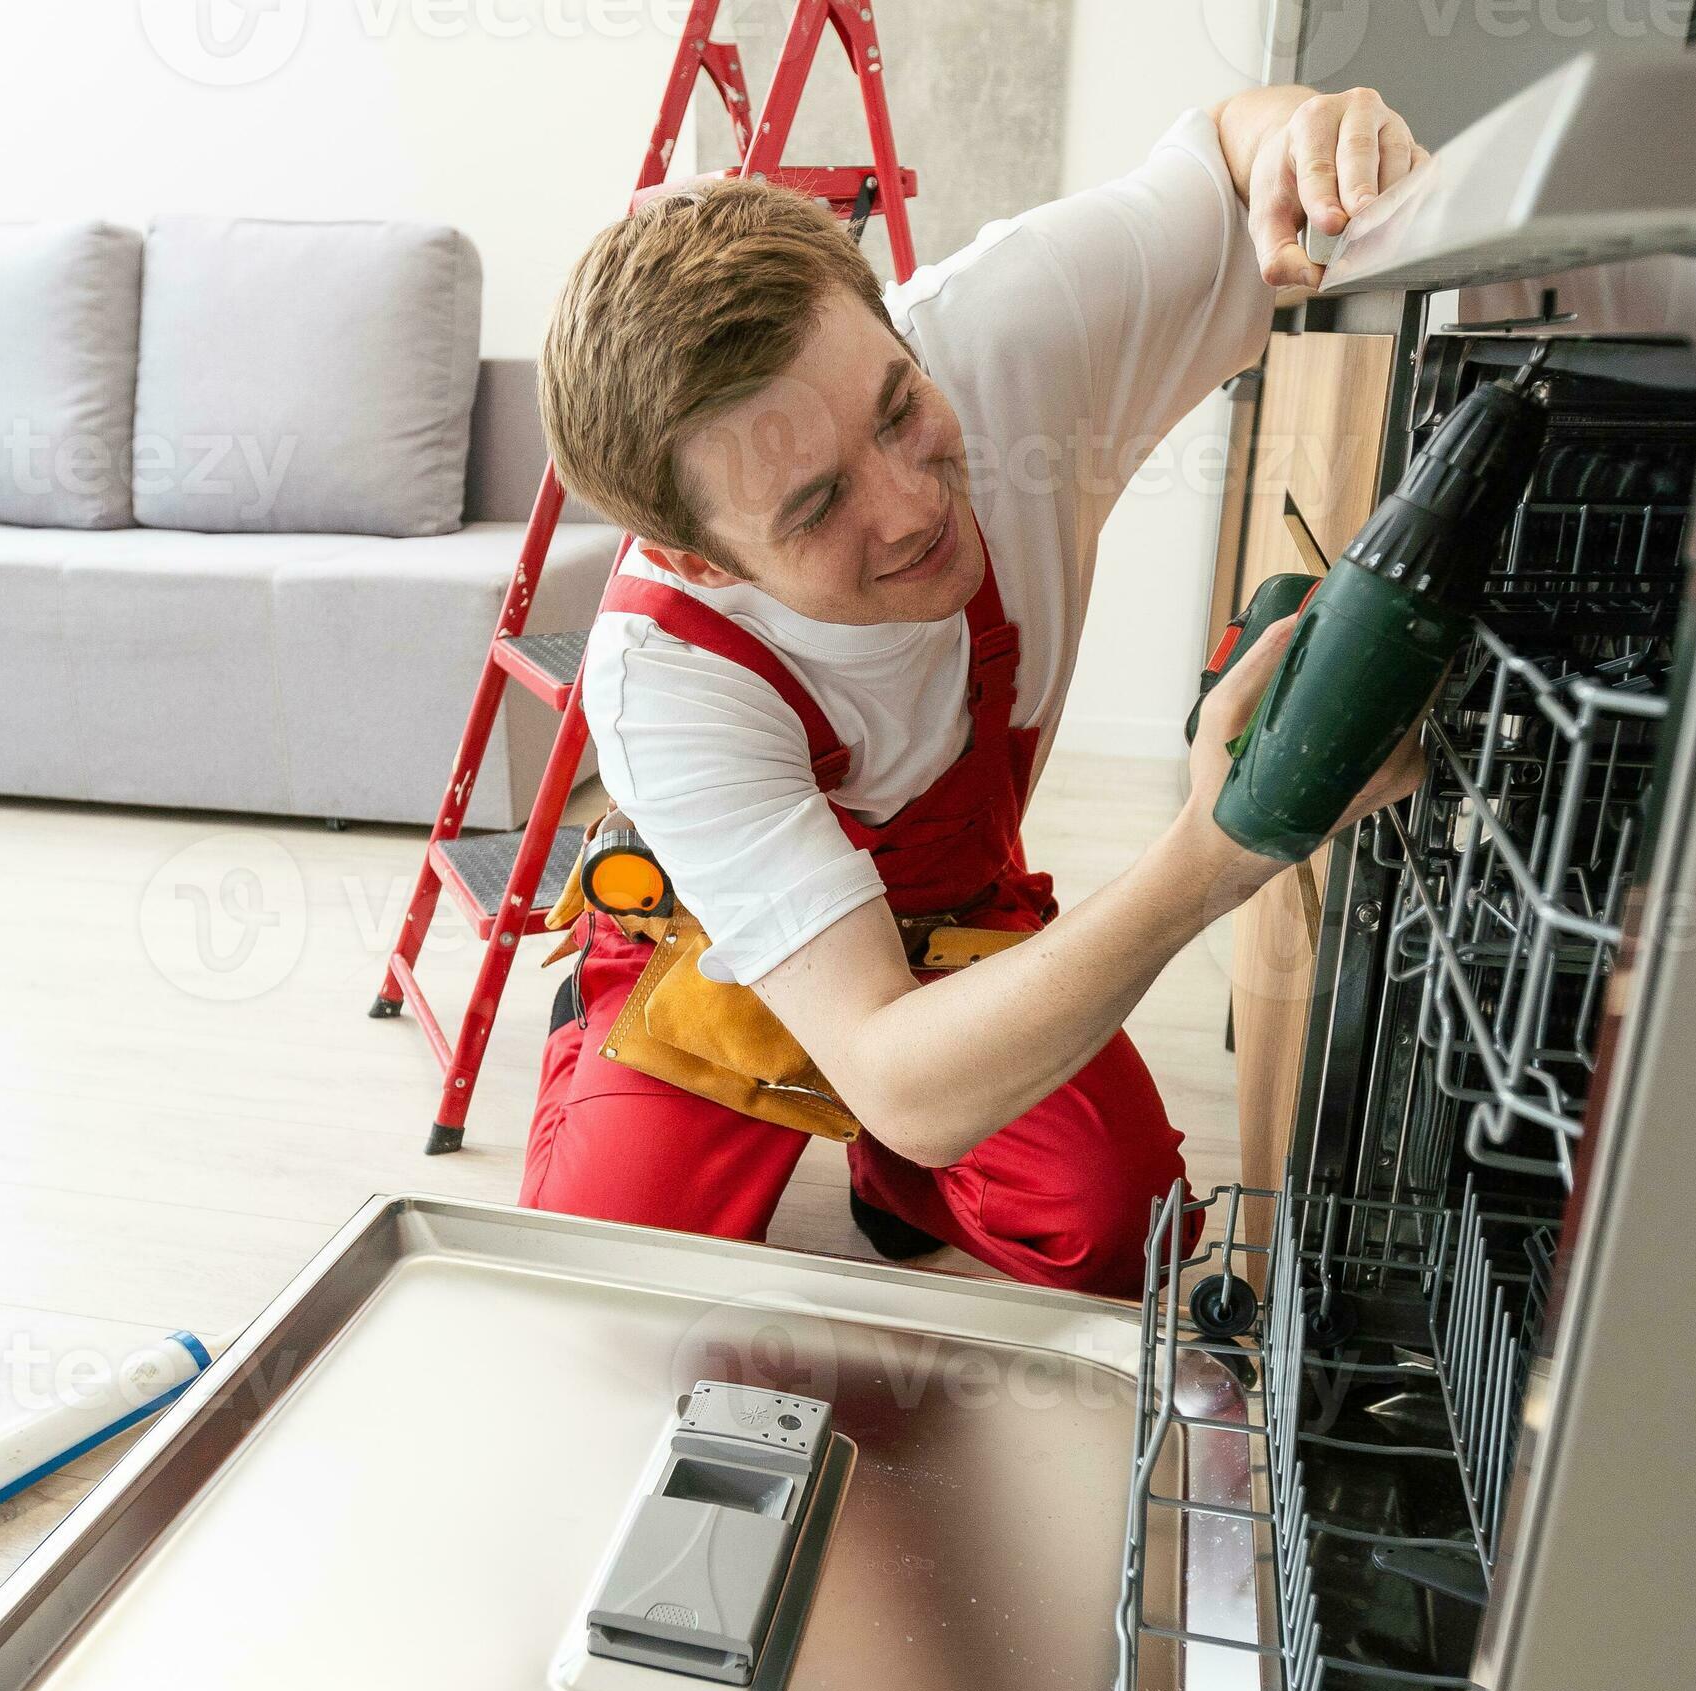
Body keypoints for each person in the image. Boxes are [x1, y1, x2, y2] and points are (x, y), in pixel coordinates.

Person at [523, 84, 1431, 1296]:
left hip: (949, 915)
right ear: (698, 559)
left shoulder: (1011, 325)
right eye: (816, 508)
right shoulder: (667, 685)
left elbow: (1227, 148)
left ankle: (898, 1177)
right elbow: (894, 1068)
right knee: (605, 1275)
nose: (913, 508)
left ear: (895, 330)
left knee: (1116, 1224)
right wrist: (1219, 848)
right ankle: (601, 1041)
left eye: (900, 413)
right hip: (715, 942)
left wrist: (1314, 139)